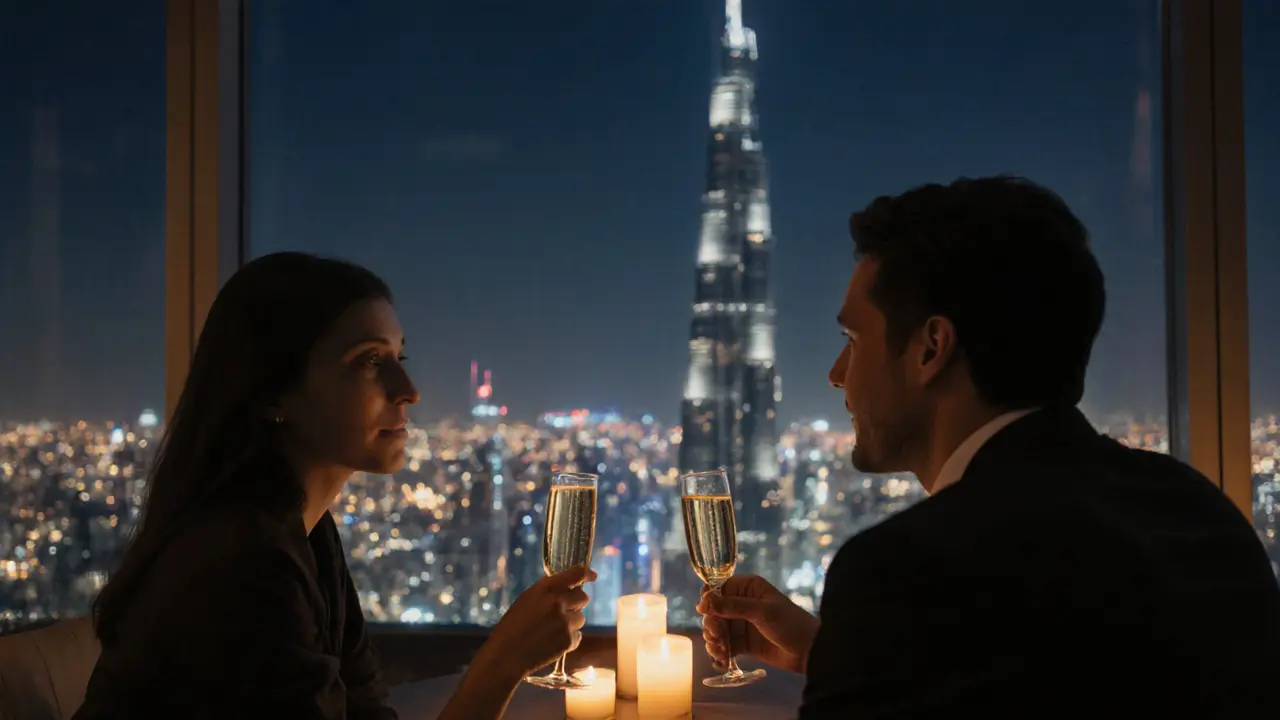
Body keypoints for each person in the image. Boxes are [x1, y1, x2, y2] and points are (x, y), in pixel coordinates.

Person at [698, 176, 1280, 717]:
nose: (836, 373)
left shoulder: (907, 572)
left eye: (852, 339)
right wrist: (837, 654)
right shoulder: (1200, 514)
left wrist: (865, 639)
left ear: (931, 348)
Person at [76, 253, 592, 719]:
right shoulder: (241, 568)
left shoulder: (306, 533)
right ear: (273, 392)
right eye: (370, 362)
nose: (408, 392)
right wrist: (501, 662)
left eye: (399, 359)